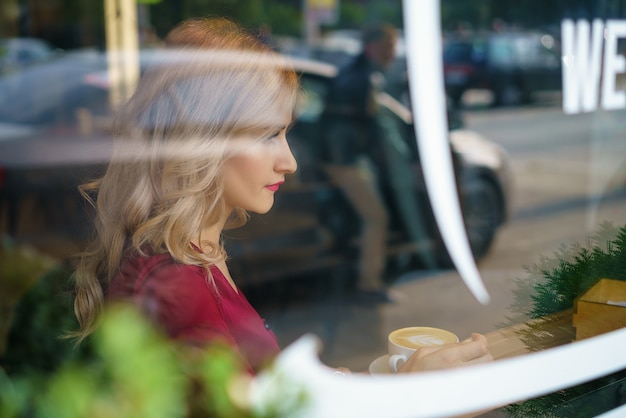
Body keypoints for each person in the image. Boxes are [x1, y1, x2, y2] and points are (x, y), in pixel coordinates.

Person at [71, 17, 492, 375]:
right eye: (268, 134)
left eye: (286, 133)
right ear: (202, 140)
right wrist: (411, 397)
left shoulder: (190, 255)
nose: (289, 162)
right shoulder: (180, 287)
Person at [322, 24, 398, 304]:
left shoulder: (349, 71)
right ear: (372, 47)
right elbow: (372, 128)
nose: (393, 53)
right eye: (389, 47)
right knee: (376, 217)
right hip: (345, 161)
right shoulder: (366, 79)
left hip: (337, 158)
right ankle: (369, 284)